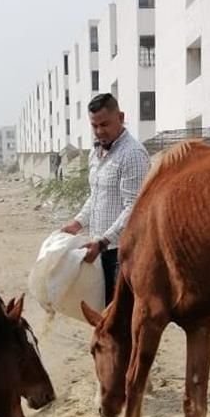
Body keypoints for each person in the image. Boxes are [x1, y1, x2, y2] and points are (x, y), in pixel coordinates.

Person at [60, 93, 150, 306]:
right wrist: (77, 223)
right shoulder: (96, 153)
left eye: (105, 124)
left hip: (124, 253)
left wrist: (102, 242)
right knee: (105, 314)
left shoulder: (133, 154)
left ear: (120, 117)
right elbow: (96, 196)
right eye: (95, 126)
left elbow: (134, 209)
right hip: (101, 251)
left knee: (123, 318)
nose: (100, 131)